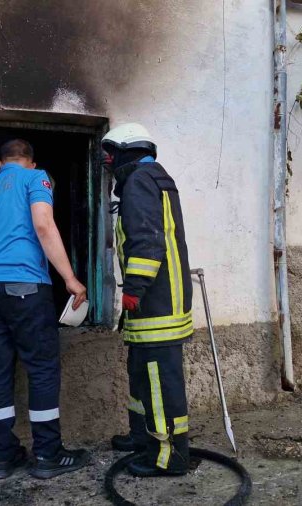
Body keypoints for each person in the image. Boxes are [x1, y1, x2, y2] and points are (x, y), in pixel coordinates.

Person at [0, 139, 89, 480]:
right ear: (30, 161)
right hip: (26, 286)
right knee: (42, 368)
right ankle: (47, 456)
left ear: (1, 164)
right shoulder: (36, 178)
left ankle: (4, 457)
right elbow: (43, 225)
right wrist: (70, 279)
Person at [101, 123, 193, 477]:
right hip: (160, 302)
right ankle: (142, 436)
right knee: (141, 375)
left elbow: (147, 242)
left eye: (111, 157)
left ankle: (169, 457)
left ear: (127, 152)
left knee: (157, 382)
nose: (109, 166)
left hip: (155, 304)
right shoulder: (155, 179)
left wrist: (133, 290)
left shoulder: (140, 182)